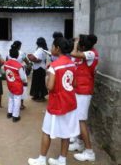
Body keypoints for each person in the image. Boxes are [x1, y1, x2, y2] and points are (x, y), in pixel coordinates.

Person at [28, 37, 80, 165]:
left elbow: (50, 87)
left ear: (57, 49)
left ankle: (41, 159)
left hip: (57, 104)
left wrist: (47, 77)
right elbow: (74, 83)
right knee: (66, 133)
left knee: (46, 131)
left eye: (52, 46)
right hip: (70, 103)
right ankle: (62, 160)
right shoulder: (72, 63)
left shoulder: (54, 66)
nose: (51, 49)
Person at [69, 34, 99, 162]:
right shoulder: (85, 53)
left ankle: (89, 152)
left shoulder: (91, 53)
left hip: (84, 91)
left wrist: (75, 44)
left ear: (82, 46)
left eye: (79, 44)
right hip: (78, 89)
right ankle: (79, 143)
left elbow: (73, 54)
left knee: (81, 121)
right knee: (77, 118)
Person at [4, 48, 27, 122]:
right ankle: (15, 116)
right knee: (17, 100)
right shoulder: (18, 65)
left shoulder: (6, 63)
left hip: (10, 83)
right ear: (17, 56)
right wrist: (24, 82)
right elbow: (23, 78)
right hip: (17, 85)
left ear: (10, 55)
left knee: (11, 98)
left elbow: (6, 72)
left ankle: (9, 113)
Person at [6, 41, 30, 109]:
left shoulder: (8, 53)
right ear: (19, 46)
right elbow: (27, 62)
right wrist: (28, 66)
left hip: (11, 72)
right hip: (20, 71)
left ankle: (13, 103)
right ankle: (21, 104)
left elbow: (7, 61)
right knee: (22, 87)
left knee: (12, 86)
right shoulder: (22, 53)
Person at [27, 37, 48, 101]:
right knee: (40, 83)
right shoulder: (43, 50)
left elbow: (38, 60)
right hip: (41, 68)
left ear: (38, 43)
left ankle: (39, 97)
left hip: (38, 68)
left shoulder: (40, 50)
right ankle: (38, 96)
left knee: (38, 83)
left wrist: (30, 57)